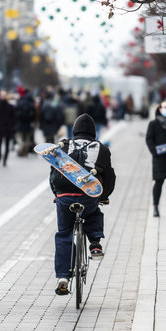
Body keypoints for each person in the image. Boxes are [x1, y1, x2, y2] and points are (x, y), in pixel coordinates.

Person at [50, 114, 116, 295]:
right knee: (93, 213)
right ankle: (95, 244)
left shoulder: (63, 146)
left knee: (64, 233)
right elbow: (109, 177)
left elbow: (53, 173)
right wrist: (104, 195)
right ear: (93, 132)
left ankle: (63, 276)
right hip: (88, 194)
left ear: (75, 130)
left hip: (64, 194)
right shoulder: (101, 149)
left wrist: (57, 194)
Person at [0, 90, 15, 166]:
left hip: (8, 128)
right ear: (0, 96)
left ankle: (4, 160)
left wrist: (11, 125)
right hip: (0, 128)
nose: (3, 97)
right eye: (2, 95)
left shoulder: (10, 107)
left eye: (4, 95)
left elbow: (14, 118)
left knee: (7, 145)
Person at [15, 89, 36, 157]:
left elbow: (15, 113)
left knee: (19, 137)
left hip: (20, 124)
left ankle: (21, 147)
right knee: (27, 138)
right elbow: (33, 114)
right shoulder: (31, 103)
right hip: (28, 124)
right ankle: (25, 152)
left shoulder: (19, 102)